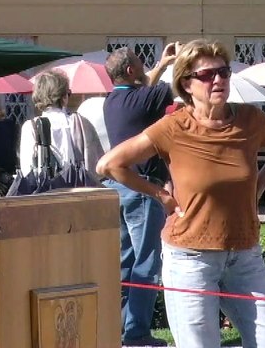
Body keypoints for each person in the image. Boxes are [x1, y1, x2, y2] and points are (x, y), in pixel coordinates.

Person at [98, 39, 265, 348]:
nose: (218, 80)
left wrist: (260, 183)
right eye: (206, 75)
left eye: (224, 72)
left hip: (245, 255)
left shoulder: (250, 120)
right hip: (191, 258)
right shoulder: (173, 127)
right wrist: (159, 194)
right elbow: (109, 164)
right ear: (186, 84)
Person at [100, 43, 178, 347]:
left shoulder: (112, 101)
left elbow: (144, 89)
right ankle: (137, 334)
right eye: (139, 62)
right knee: (146, 264)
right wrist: (180, 59)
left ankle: (118, 329)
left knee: (125, 263)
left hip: (117, 189)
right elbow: (182, 83)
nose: (145, 66)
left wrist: (161, 63)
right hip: (142, 189)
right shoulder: (147, 97)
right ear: (131, 70)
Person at [17, 70, 103, 179]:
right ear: (63, 96)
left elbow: (27, 170)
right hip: (79, 191)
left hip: (46, 193)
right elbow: (98, 165)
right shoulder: (81, 122)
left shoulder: (31, 127)